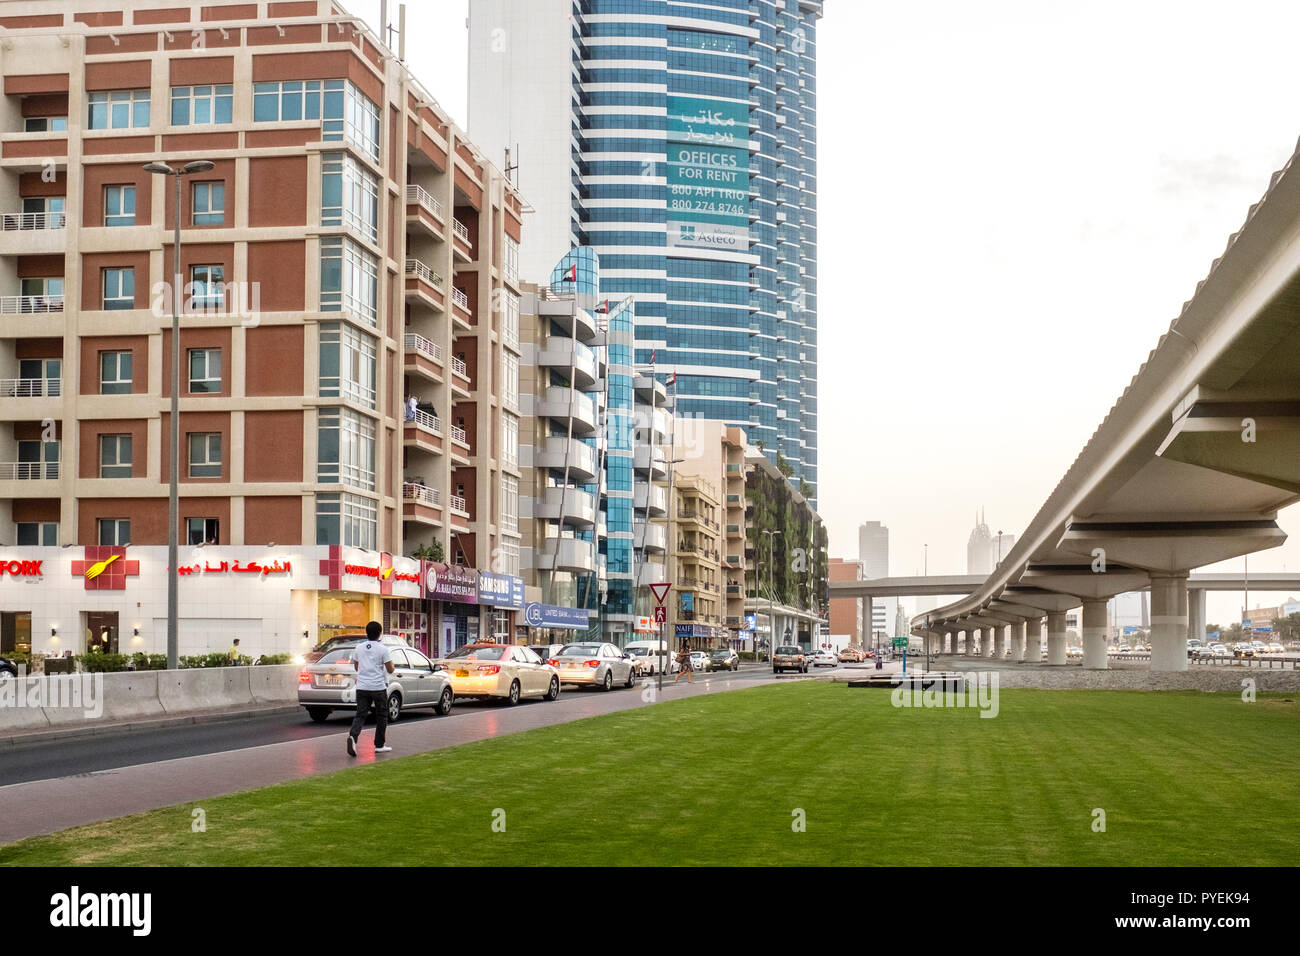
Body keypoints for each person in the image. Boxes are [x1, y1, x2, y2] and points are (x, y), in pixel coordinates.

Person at [347, 621, 395, 756]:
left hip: (362, 687)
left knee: (360, 714)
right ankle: (379, 745)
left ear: (366, 633)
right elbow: (390, 669)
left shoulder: (359, 648)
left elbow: (357, 667)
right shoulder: (383, 649)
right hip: (378, 687)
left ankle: (353, 737)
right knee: (381, 715)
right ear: (380, 633)